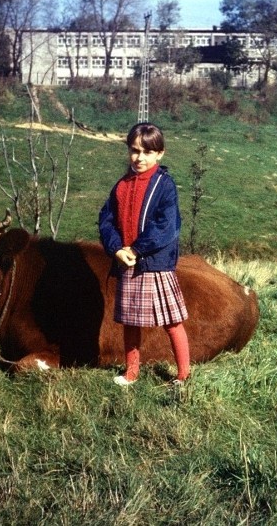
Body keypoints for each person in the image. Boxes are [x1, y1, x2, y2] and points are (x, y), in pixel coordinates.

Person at [98, 122, 191, 387]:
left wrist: (136, 249)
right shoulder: (121, 185)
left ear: (160, 153)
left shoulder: (165, 185)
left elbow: (165, 225)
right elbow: (106, 220)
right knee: (130, 321)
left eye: (148, 152)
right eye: (135, 150)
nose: (140, 158)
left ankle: (184, 374)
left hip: (155, 264)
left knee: (172, 321)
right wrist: (117, 248)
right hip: (127, 261)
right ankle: (131, 372)